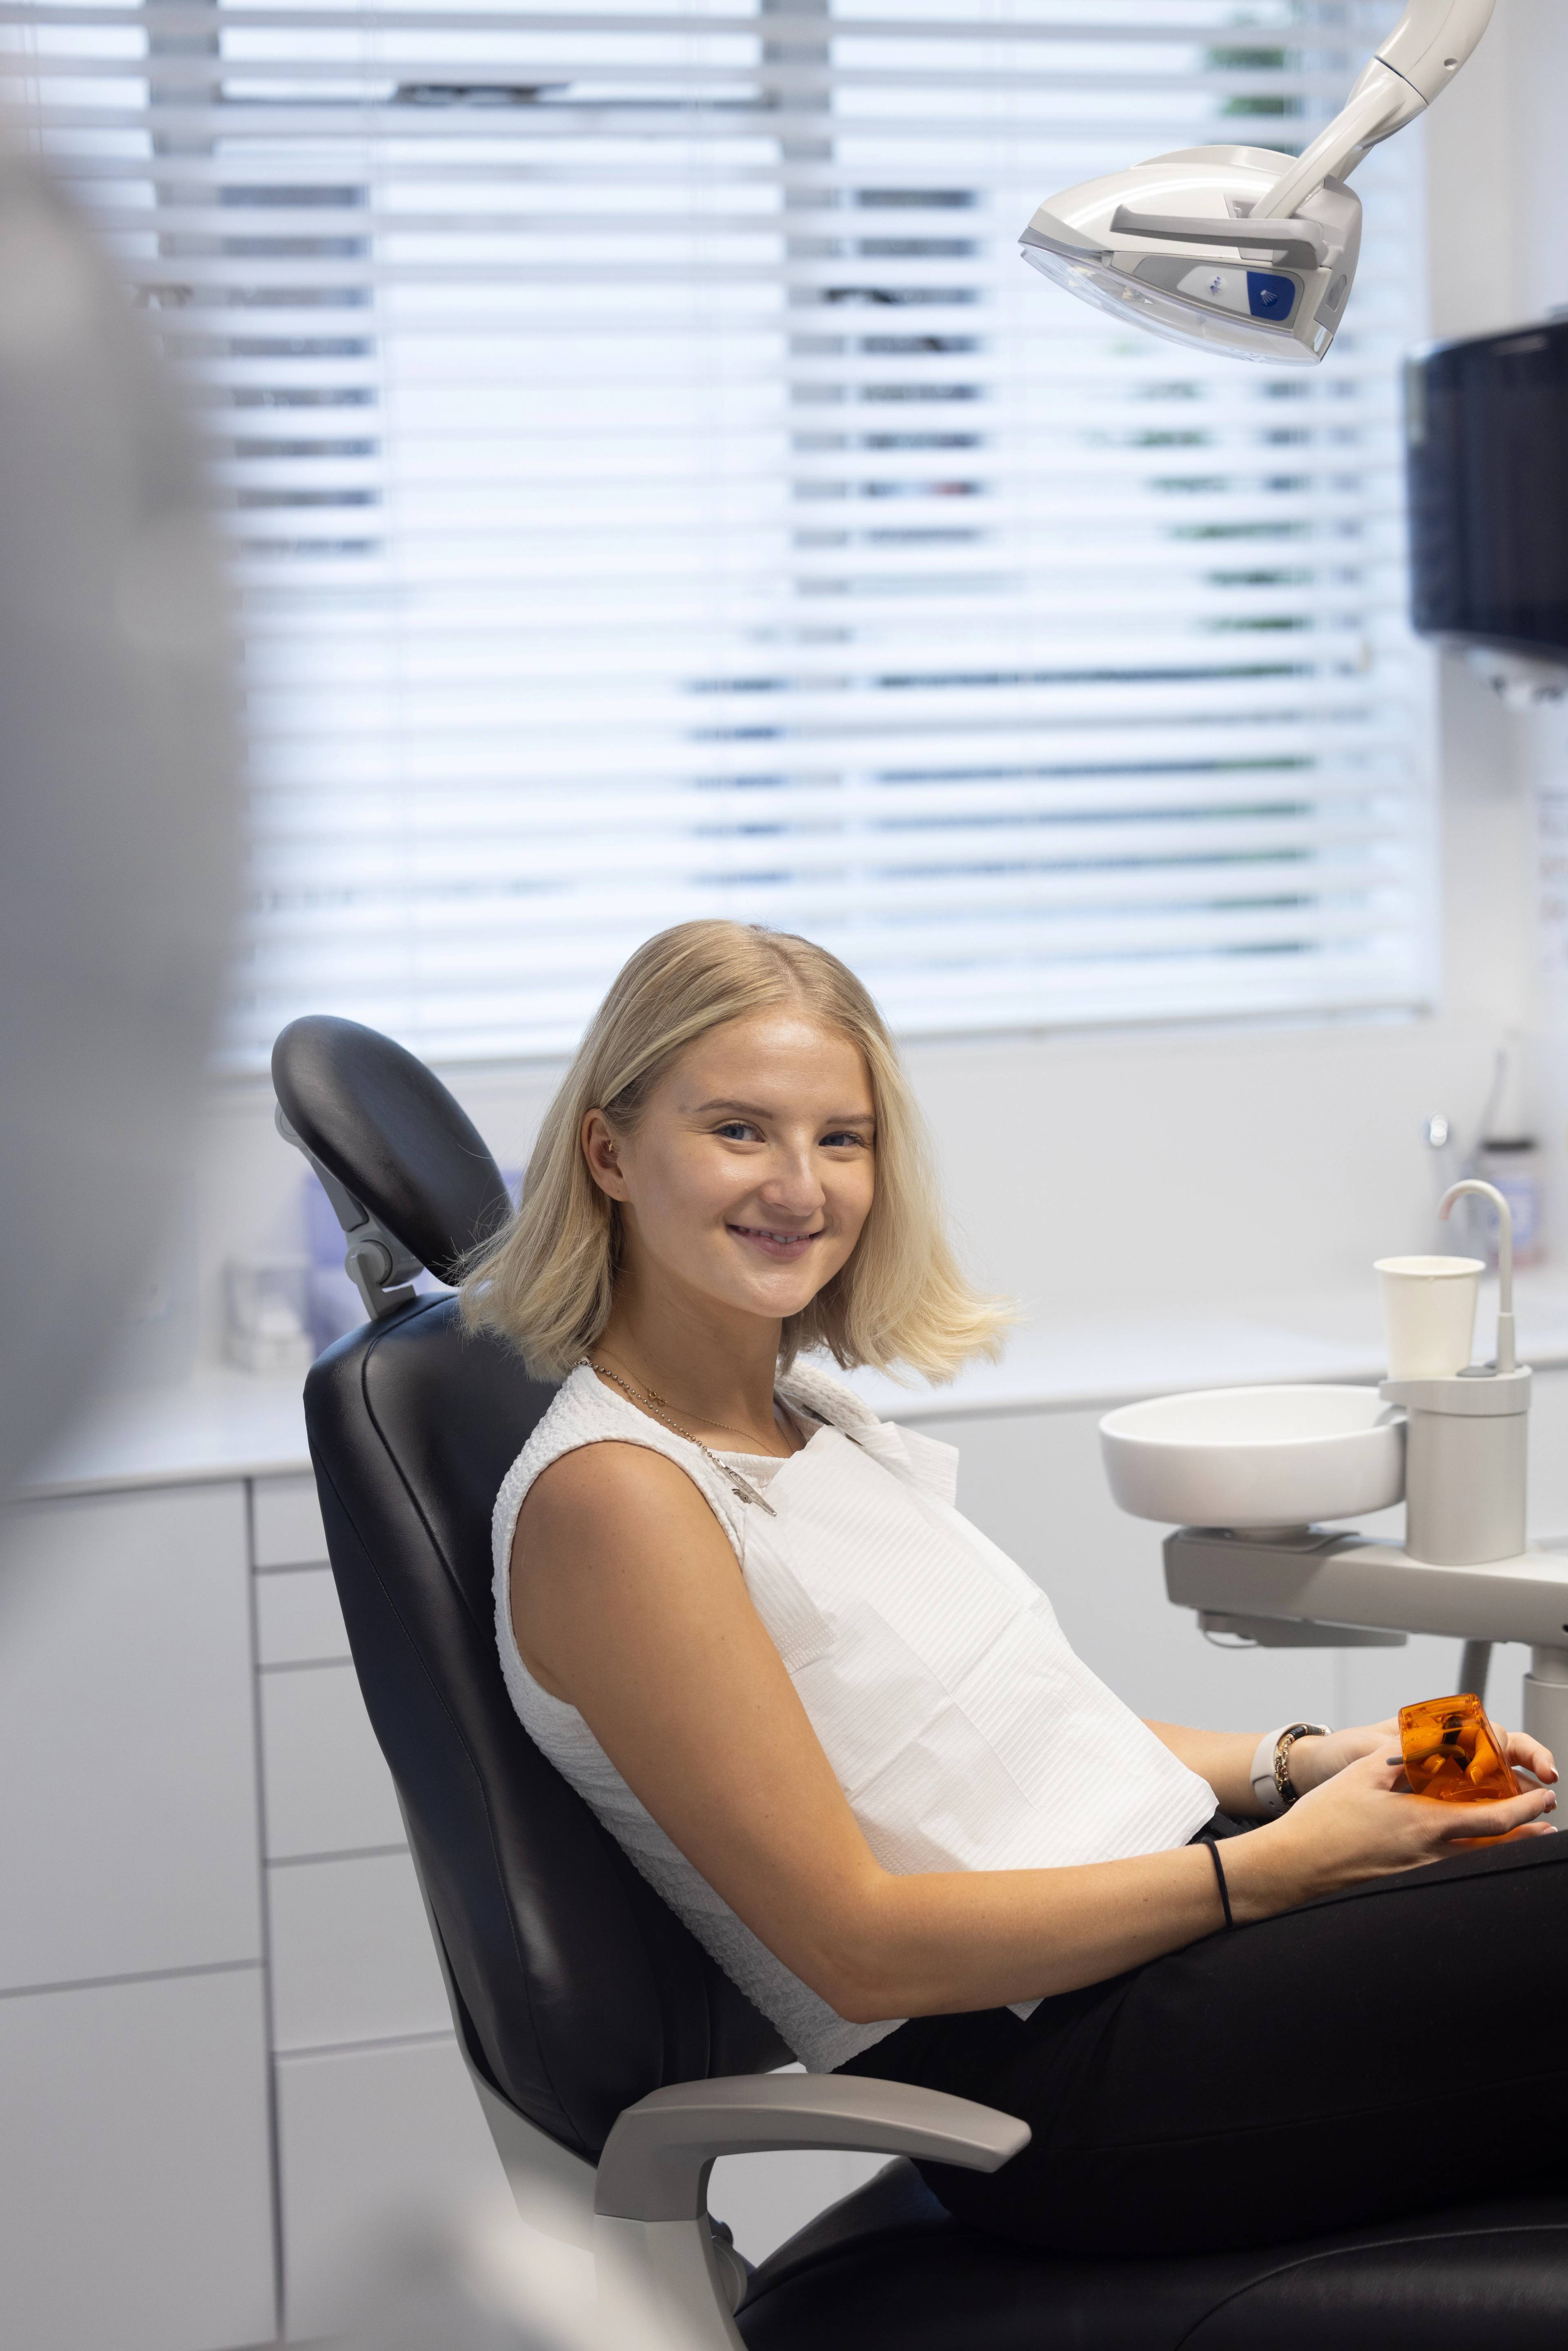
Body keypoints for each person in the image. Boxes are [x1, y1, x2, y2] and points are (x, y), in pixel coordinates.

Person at [462, 920, 1564, 2258]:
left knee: (1513, 1813)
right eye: (740, 1130)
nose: (801, 1186)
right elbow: (858, 1949)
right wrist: (1277, 1873)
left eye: (843, 1138)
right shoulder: (618, 1499)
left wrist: (1305, 1761)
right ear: (609, 1152)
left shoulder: (805, 1417)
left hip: (1170, 1935)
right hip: (1068, 2076)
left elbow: (1020, 1733)